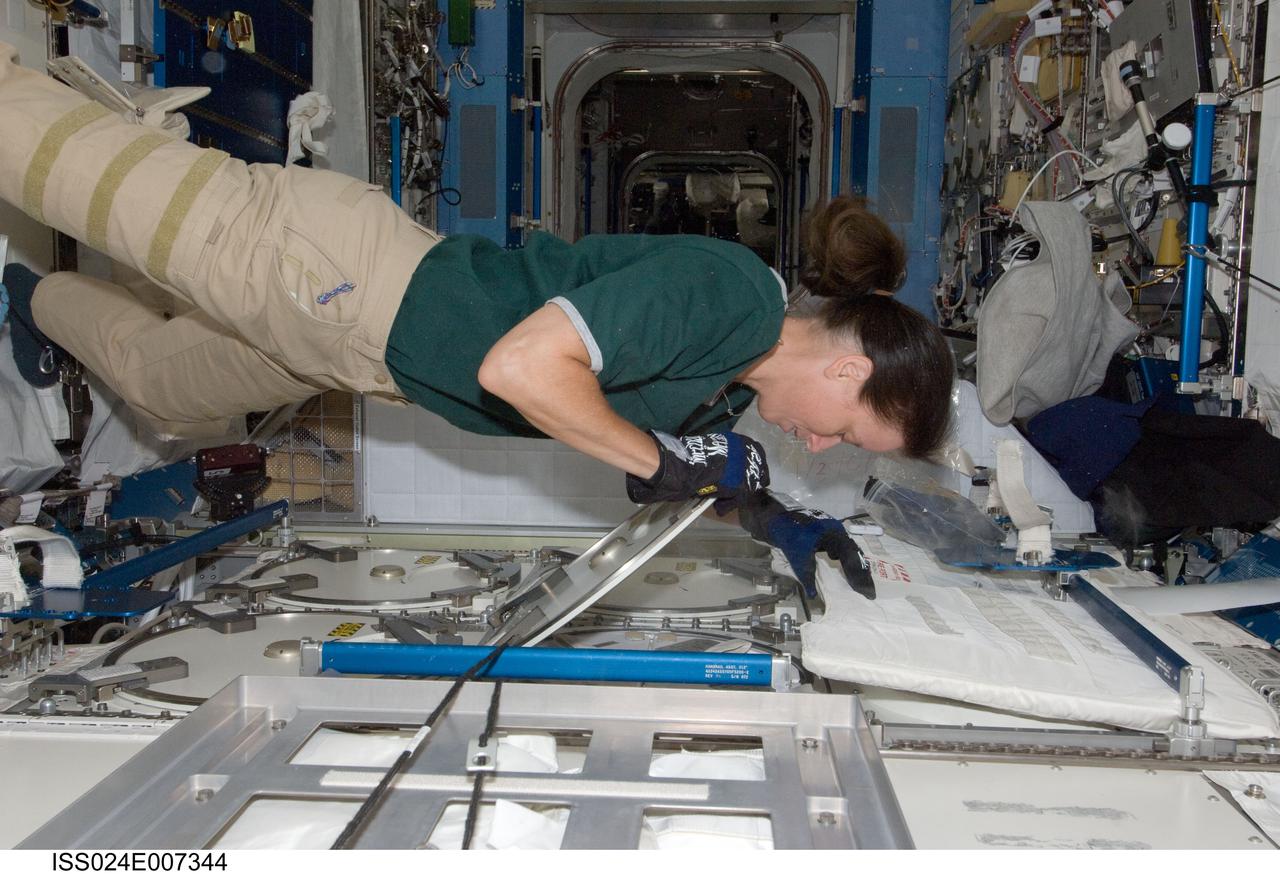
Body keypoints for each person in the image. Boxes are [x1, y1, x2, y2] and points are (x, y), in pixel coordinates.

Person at [0, 42, 954, 596]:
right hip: (339, 278)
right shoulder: (734, 297)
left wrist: (772, 516)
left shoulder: (721, 388)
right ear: (846, 370)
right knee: (62, 166)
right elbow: (523, 372)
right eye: (845, 432)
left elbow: (675, 456)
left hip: (356, 351)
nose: (822, 447)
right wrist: (660, 462)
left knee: (166, 388)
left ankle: (31, 301)